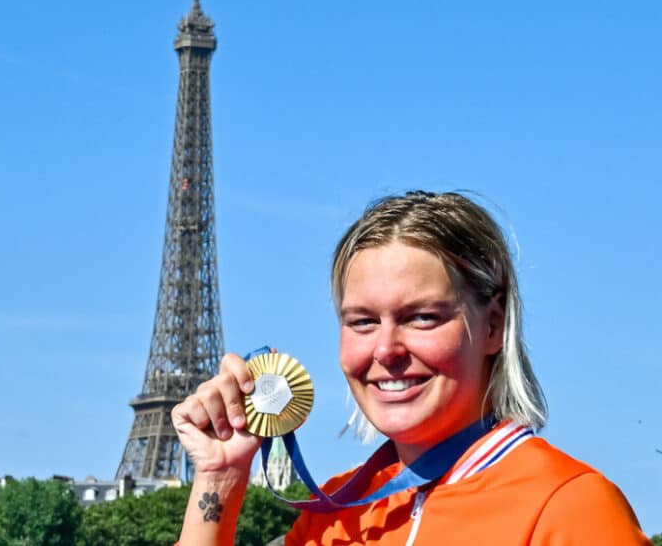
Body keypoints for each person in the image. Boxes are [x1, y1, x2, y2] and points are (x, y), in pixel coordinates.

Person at [173, 191, 650, 545]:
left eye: (421, 317)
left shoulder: (570, 506)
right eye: (361, 321)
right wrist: (220, 479)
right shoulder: (334, 514)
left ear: (493, 326)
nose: (386, 349)